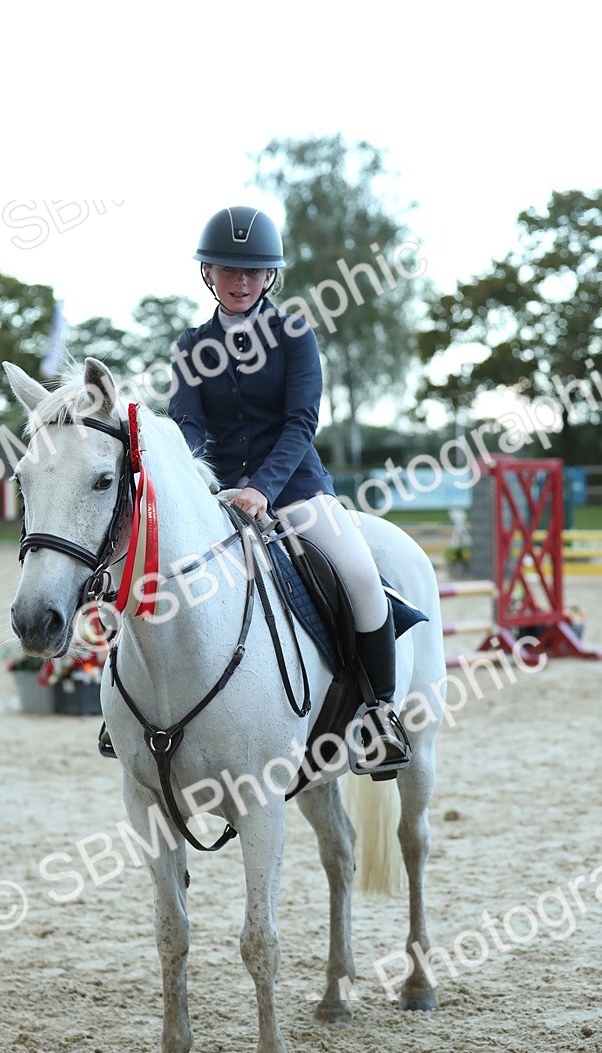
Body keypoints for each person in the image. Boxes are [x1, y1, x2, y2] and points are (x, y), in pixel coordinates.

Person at [167, 205, 411, 778]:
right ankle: (130, 712)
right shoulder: (190, 345)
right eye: (228, 269)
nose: (240, 281)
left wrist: (261, 489)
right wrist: (200, 479)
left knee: (359, 577)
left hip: (297, 490)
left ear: (270, 276)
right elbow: (187, 423)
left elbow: (301, 421)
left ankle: (380, 714)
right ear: (209, 273)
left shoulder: (294, 334)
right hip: (219, 496)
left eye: (252, 272)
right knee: (154, 571)